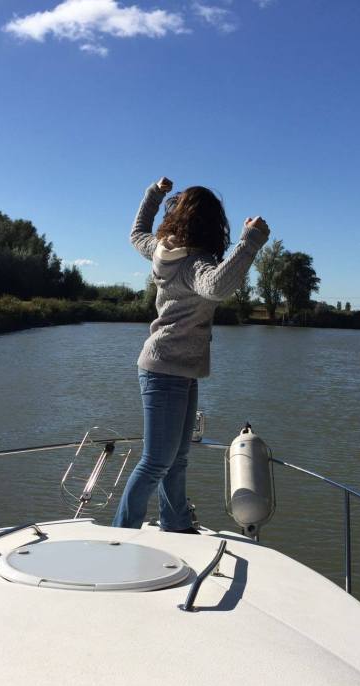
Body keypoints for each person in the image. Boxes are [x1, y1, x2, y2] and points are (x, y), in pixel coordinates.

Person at [113, 177, 270, 533]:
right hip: (165, 370)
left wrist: (154, 194)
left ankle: (176, 524)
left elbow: (137, 232)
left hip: (177, 369)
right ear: (211, 224)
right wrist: (250, 242)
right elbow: (217, 287)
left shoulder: (162, 250)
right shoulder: (193, 264)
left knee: (177, 459)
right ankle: (120, 534)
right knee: (155, 462)